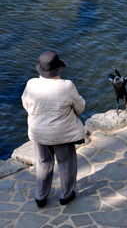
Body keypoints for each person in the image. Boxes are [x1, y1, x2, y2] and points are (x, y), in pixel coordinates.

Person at [21, 50, 85, 208]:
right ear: (58, 68)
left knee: (43, 163)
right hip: (63, 133)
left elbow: (26, 104)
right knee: (66, 163)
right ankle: (66, 195)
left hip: (38, 132)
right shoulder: (66, 86)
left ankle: (41, 196)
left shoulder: (31, 84)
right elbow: (80, 107)